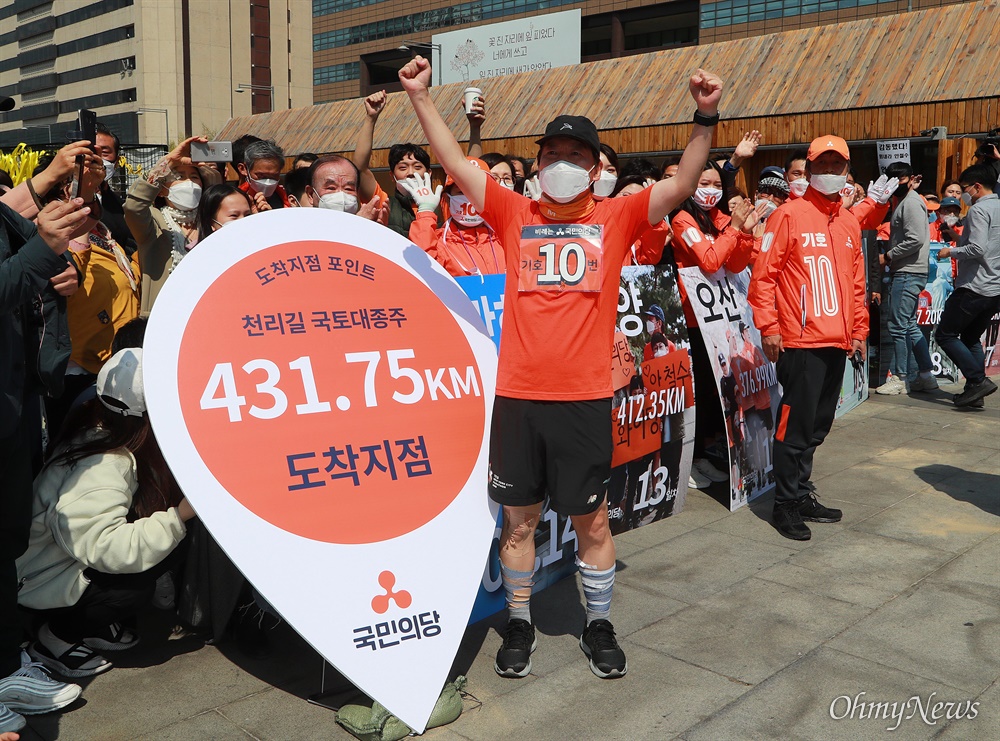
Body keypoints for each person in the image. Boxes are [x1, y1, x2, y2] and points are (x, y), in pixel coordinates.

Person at [399, 53, 722, 680]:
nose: (562, 166)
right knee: (517, 524)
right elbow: (454, 162)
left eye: (576, 157)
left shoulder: (618, 216)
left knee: (592, 518)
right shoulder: (513, 211)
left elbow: (683, 182)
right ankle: (519, 621)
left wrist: (704, 115)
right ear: (538, 164)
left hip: (582, 399)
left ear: (598, 168)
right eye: (552, 156)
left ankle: (597, 621)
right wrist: (419, 97)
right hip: (517, 397)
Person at [17, 348, 195, 678]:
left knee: (160, 550)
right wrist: (178, 516)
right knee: (132, 588)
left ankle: (80, 622)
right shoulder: (105, 463)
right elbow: (105, 548)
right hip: (39, 579)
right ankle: (56, 637)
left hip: (59, 561)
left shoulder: (96, 424)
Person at [0, 189, 91, 737]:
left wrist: (53, 277)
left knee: (5, 545)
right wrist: (42, 250)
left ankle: (6, 667)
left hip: (12, 405)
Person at [748, 135, 867, 541]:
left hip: (837, 341)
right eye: (823, 166)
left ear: (847, 171)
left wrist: (860, 331)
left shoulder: (849, 221)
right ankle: (783, 504)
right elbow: (763, 277)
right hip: (799, 343)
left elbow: (856, 284)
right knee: (793, 428)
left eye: (838, 166)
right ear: (809, 171)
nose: (830, 173)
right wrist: (769, 327)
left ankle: (800, 493)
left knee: (818, 426)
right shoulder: (788, 215)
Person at [669, 160, 760, 489]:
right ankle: (691, 461)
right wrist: (735, 230)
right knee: (698, 393)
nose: (711, 191)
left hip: (719, 320)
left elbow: (735, 262)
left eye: (716, 185)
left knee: (713, 392)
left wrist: (745, 232)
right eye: (703, 183)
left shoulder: (719, 219)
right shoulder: (682, 219)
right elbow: (709, 260)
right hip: (692, 319)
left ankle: (705, 454)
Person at [42, 169, 141, 441]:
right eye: (90, 185)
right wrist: (80, 224)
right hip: (82, 370)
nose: (98, 191)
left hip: (116, 361)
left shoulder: (106, 236)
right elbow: (69, 272)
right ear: (66, 192)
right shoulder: (56, 237)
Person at [124, 136, 221, 317]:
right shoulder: (154, 221)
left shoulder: (212, 221)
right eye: (179, 177)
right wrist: (168, 161)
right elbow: (133, 206)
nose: (189, 184)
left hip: (208, 312)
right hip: (164, 316)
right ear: (161, 189)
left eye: (194, 177)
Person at [935, 164, 1000, 406]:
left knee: (946, 334)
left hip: (974, 286)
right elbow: (985, 243)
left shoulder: (978, 210)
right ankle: (975, 391)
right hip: (994, 288)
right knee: (971, 338)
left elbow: (977, 248)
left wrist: (949, 251)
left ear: (977, 187)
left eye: (964, 189)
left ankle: (977, 380)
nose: (962, 194)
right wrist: (957, 237)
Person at [876, 161, 937, 394]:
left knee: (898, 325)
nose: (897, 184)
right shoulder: (906, 201)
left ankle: (900, 379)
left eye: (902, 179)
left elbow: (915, 240)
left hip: (908, 271)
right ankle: (926, 375)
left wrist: (888, 256)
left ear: (910, 179)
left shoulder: (911, 203)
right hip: (910, 270)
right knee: (909, 325)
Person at [401, 157, 504, 276]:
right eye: (461, 191)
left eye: (478, 191)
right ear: (447, 199)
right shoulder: (438, 243)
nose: (470, 197)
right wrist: (425, 211)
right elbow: (422, 269)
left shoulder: (504, 237)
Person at [93, 122, 137, 254]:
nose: (97, 158)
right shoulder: (60, 199)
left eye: (104, 153)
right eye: (92, 151)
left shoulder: (122, 209)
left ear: (116, 162)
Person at [305, 155, 387, 222]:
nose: (341, 194)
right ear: (311, 194)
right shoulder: (299, 229)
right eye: (331, 188)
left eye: (349, 189)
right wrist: (358, 224)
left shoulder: (370, 227)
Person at [238, 140, 290, 211]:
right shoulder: (232, 202)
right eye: (261, 176)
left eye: (273, 176)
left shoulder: (289, 203)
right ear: (243, 169)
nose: (267, 182)